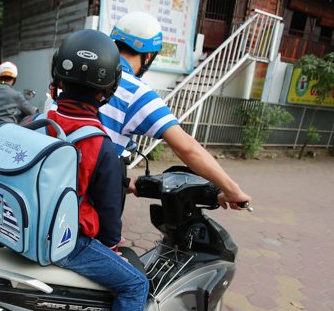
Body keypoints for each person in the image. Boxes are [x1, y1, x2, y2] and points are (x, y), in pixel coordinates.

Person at [48, 29, 161, 311]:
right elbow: (111, 220)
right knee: (135, 285)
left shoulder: (38, 125)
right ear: (106, 91)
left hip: (22, 230)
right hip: (66, 243)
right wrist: (112, 245)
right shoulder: (102, 146)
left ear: (57, 80)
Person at [99, 11, 252, 209]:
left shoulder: (76, 74)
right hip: (92, 206)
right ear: (148, 56)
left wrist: (130, 183)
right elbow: (186, 147)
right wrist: (232, 190)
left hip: (58, 185)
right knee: (108, 238)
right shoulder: (135, 91)